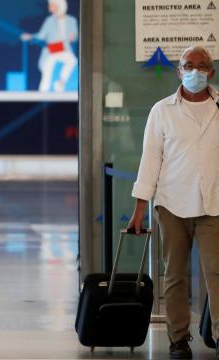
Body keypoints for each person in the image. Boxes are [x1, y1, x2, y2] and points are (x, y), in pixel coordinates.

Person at [128, 45, 218, 359]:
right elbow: (150, 159)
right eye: (188, 65)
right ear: (179, 71)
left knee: (216, 271)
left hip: (214, 204)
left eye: (202, 65)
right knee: (176, 273)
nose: (195, 71)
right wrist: (140, 207)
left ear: (212, 71)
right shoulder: (162, 110)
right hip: (172, 204)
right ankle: (178, 338)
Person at [20, 0, 78, 92]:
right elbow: (41, 35)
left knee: (73, 61)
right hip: (52, 48)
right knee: (47, 69)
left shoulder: (71, 20)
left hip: (64, 48)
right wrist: (30, 37)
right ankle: (43, 91)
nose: (49, 8)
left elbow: (75, 35)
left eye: (51, 5)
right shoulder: (49, 21)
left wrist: (73, 37)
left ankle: (61, 82)